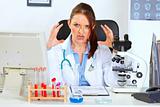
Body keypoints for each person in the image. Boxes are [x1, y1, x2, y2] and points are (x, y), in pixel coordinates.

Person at [47, 3, 117, 86]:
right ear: (69, 23)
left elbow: (113, 83)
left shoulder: (102, 51)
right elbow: (54, 84)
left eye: (87, 26)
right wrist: (48, 49)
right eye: (76, 25)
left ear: (93, 27)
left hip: (97, 98)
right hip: (70, 98)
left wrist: (115, 51)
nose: (81, 31)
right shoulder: (56, 51)